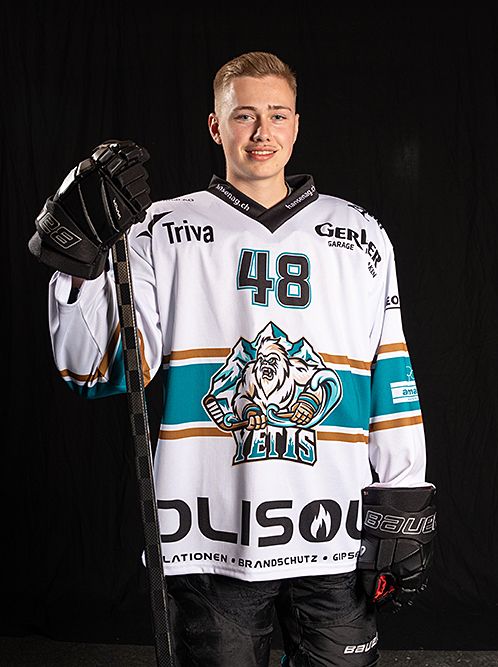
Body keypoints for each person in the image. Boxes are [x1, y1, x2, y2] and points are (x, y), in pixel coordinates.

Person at [29, 52, 436, 667]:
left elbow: (391, 373)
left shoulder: (361, 235)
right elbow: (98, 368)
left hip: (335, 527)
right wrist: (77, 262)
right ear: (216, 126)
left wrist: (403, 494)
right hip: (209, 535)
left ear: (296, 124)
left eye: (277, 114)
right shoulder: (159, 228)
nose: (262, 131)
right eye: (244, 115)